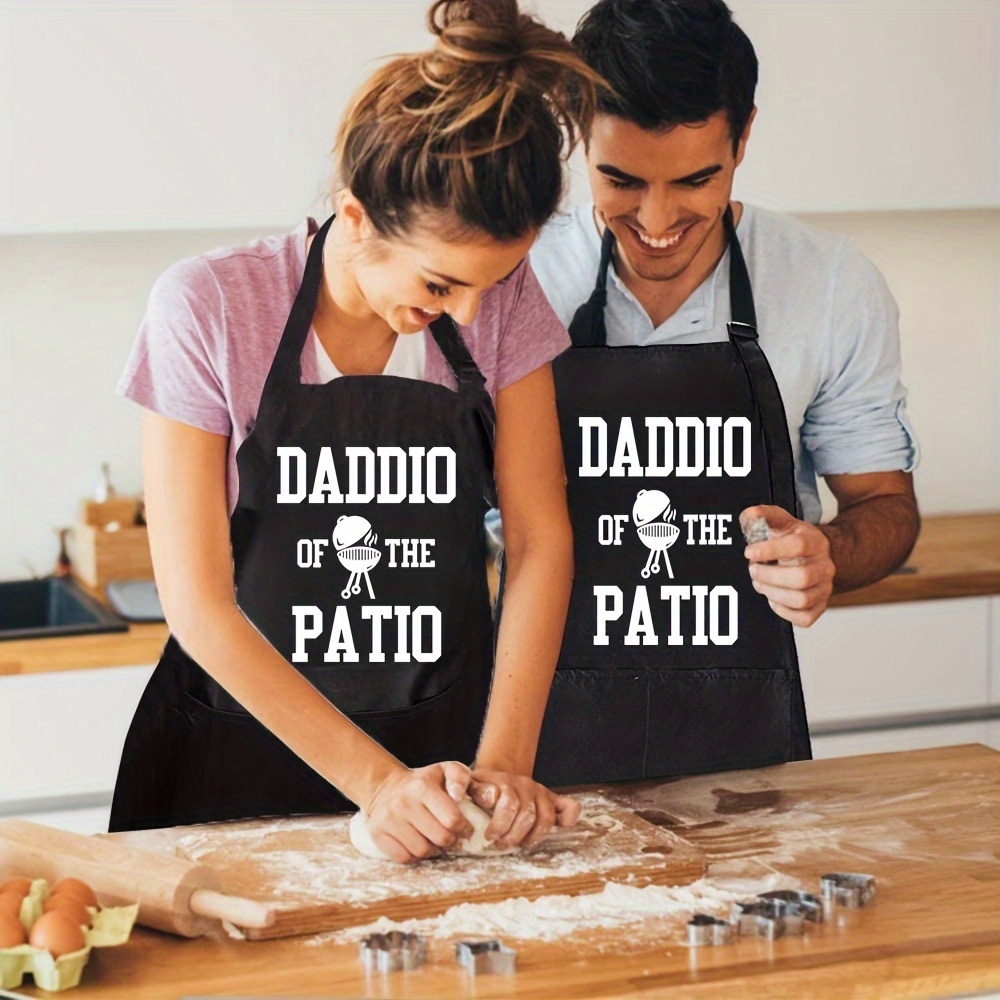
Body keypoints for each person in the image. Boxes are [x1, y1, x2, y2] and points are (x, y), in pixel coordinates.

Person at [108, 0, 599, 863]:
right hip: (233, 764)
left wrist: (504, 768)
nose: (475, 313)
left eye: (499, 280)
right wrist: (377, 788)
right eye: (444, 285)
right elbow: (197, 605)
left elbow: (540, 538)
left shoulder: (502, 306)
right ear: (359, 214)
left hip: (439, 765)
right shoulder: (213, 308)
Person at [528, 0, 920, 786]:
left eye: (696, 178)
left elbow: (887, 507)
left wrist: (827, 554)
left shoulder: (831, 284)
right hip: (533, 733)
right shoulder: (515, 276)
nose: (657, 218)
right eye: (621, 180)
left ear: (742, 139)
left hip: (744, 743)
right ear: (575, 133)